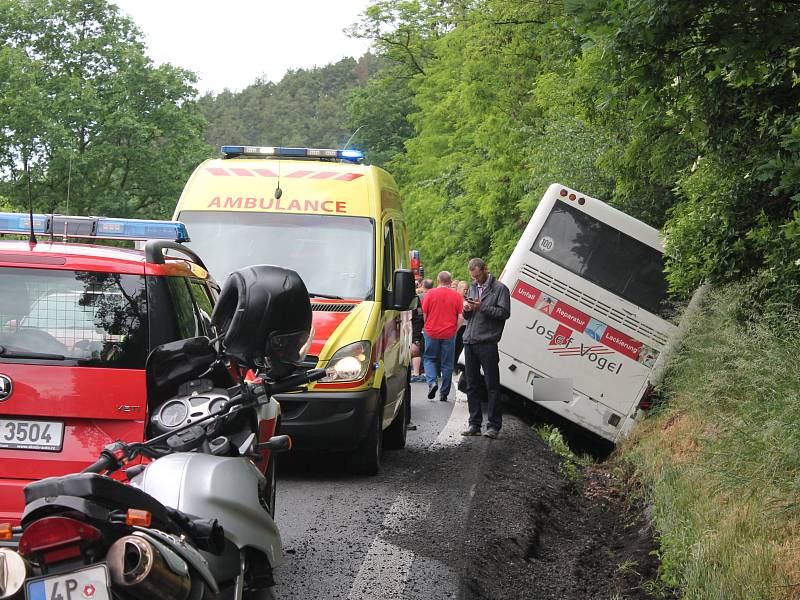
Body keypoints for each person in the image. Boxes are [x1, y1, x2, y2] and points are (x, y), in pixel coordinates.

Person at [460, 258, 511, 439]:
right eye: (473, 276)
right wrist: (466, 309)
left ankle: (494, 426)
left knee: (492, 385)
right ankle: (474, 424)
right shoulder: (473, 287)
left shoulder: (500, 289)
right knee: (472, 385)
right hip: (470, 341)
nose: (476, 279)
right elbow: (468, 316)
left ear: (485, 270)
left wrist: (482, 307)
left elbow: (504, 313)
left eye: (478, 275)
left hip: (488, 343)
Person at [421, 271, 463, 402]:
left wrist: (426, 326)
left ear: (438, 280)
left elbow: (425, 313)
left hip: (432, 331)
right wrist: (455, 330)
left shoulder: (430, 294)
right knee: (447, 364)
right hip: (449, 333)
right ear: (451, 282)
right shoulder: (456, 296)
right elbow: (461, 317)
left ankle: (432, 382)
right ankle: (444, 393)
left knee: (429, 359)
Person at [453, 280, 469, 373]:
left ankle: (459, 366)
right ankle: (454, 365)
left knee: (462, 347)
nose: (466, 291)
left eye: (467, 289)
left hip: (465, 326)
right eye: (464, 289)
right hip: (456, 326)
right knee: (455, 347)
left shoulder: (468, 299)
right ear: (459, 289)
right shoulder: (455, 299)